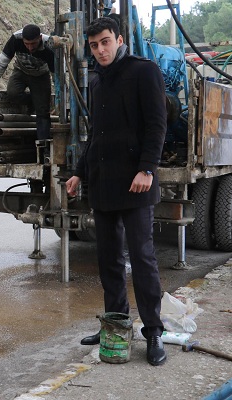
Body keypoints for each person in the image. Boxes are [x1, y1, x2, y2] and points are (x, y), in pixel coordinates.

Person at [65, 17, 168, 366]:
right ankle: (115, 323)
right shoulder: (96, 80)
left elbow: (157, 124)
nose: (100, 50)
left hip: (136, 181)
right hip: (103, 182)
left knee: (142, 258)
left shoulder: (144, 71)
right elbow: (95, 134)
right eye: (94, 46)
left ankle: (153, 330)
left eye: (105, 42)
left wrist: (147, 169)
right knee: (108, 259)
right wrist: (79, 173)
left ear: (119, 39)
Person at [0, 24, 69, 141]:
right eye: (27, 44)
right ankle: (32, 102)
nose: (30, 48)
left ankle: (43, 145)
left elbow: (57, 76)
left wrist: (61, 97)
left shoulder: (49, 46)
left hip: (40, 76)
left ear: (40, 38)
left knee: (43, 112)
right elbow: (2, 62)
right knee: (12, 93)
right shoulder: (16, 39)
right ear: (22, 39)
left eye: (33, 44)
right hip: (20, 71)